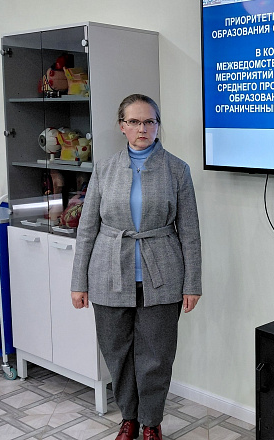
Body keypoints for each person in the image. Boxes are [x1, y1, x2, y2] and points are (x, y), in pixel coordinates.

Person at [70, 93, 202, 440]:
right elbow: (87, 229)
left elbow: (190, 233)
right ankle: (128, 417)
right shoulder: (104, 168)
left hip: (163, 276)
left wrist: (192, 283)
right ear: (122, 126)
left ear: (157, 126)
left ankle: (151, 422)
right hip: (108, 273)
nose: (142, 128)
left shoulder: (177, 169)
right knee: (117, 353)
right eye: (134, 122)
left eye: (149, 122)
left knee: (157, 356)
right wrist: (78, 281)